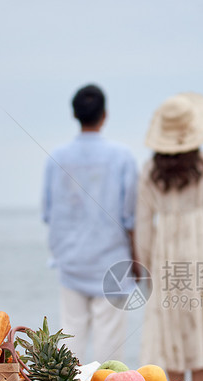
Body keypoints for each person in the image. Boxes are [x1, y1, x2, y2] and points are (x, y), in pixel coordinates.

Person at [135, 93, 203, 381]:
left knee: (171, 328)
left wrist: (145, 263)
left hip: (166, 249)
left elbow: (143, 223)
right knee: (202, 326)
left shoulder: (149, 171)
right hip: (201, 245)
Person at [42, 84, 138, 362]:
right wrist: (138, 259)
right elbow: (131, 215)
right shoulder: (122, 157)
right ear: (104, 115)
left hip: (71, 261)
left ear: (75, 114)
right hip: (113, 262)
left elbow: (48, 213)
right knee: (110, 354)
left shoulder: (57, 158)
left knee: (70, 346)